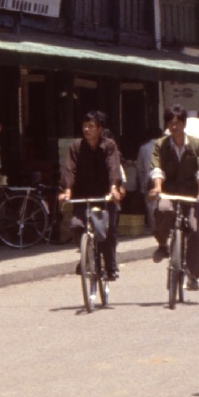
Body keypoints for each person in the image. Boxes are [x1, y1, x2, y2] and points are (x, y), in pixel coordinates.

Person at [149, 106, 199, 290]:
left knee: (195, 230)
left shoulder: (197, 145)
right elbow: (157, 168)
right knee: (163, 209)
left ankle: (194, 274)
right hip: (169, 191)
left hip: (192, 193)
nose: (174, 127)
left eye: (177, 123)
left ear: (184, 124)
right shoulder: (161, 145)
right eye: (170, 123)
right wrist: (158, 188)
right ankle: (162, 245)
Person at [59, 111, 127, 283]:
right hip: (83, 193)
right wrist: (67, 190)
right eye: (85, 126)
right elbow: (69, 170)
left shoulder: (109, 145)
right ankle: (86, 255)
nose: (87, 129)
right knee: (75, 225)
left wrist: (113, 188)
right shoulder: (75, 147)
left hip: (105, 195)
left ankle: (111, 266)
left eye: (91, 126)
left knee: (107, 230)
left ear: (100, 129)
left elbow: (114, 168)